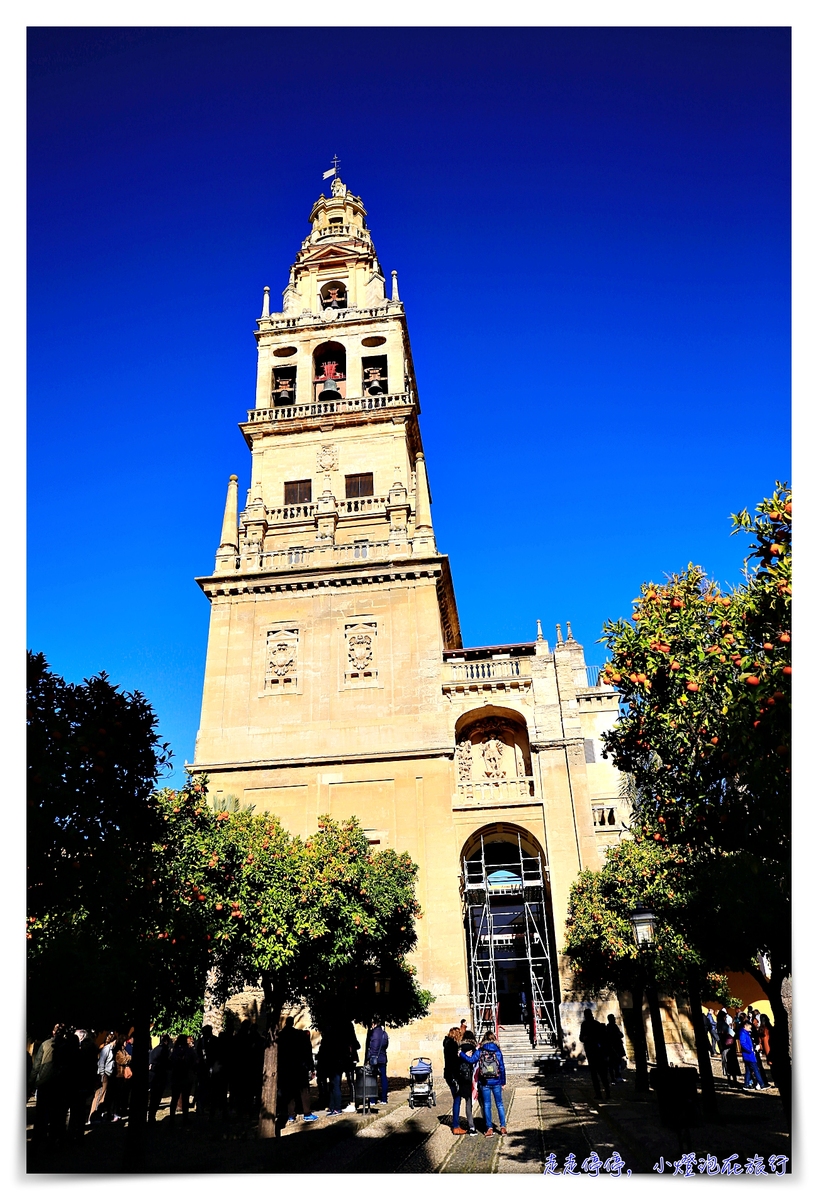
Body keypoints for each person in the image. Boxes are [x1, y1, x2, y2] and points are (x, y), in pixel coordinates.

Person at [277, 1016, 318, 1123]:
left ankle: (291, 1115)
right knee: (304, 1091)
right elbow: (307, 1051)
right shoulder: (299, 1035)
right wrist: (310, 1066)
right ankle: (307, 1113)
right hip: (299, 1067)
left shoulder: (280, 1036)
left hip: (286, 1068)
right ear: (293, 1023)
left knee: (289, 1092)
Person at [476, 1032, 507, 1137]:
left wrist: (462, 1054)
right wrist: (503, 1082)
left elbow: (471, 1060)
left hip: (484, 1081)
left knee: (487, 1105)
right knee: (500, 1104)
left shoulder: (481, 1051)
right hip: (497, 1080)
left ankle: (489, 1129)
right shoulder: (498, 1051)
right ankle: (503, 1128)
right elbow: (502, 1068)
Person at [579, 1009, 610, 1101]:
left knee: (598, 1075)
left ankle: (602, 1093)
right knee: (599, 1075)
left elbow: (603, 1038)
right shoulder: (590, 1024)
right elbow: (581, 1037)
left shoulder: (591, 1025)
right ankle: (603, 1093)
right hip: (594, 1052)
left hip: (595, 1052)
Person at [454, 1030, 479, 1136]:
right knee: (470, 1103)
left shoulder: (459, 1048)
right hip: (471, 1079)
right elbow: (473, 1061)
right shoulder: (474, 1048)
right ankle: (473, 1127)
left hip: (461, 1078)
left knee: (460, 1101)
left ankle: (465, 1125)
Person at [168, 1033, 198, 1121]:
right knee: (185, 1099)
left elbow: (170, 1063)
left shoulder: (174, 1051)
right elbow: (194, 1062)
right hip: (186, 1077)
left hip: (176, 1077)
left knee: (174, 1099)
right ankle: (185, 1118)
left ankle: (172, 1119)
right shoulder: (189, 1051)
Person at [737, 1016, 769, 1091]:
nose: (750, 1029)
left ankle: (746, 1084)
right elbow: (743, 1043)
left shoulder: (745, 1032)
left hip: (748, 1055)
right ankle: (762, 1084)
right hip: (749, 1055)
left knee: (748, 1070)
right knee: (756, 1069)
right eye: (749, 1028)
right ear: (745, 1026)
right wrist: (751, 1049)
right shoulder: (743, 1033)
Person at [365, 1019, 389, 1106]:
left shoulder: (372, 1033)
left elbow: (370, 1047)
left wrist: (369, 1057)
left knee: (372, 1079)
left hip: (373, 1059)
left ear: (374, 1024)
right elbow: (386, 1045)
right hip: (383, 1058)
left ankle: (372, 1100)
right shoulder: (384, 1034)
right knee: (383, 1078)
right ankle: (384, 1099)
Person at [443, 1027, 462, 1133]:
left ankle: (456, 1124)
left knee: (456, 1099)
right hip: (453, 1076)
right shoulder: (453, 1045)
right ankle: (455, 1126)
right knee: (457, 1100)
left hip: (448, 1075)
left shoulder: (446, 1043)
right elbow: (454, 1062)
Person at [148, 1034, 171, 1121]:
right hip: (159, 1076)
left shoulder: (156, 1049)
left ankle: (151, 1117)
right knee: (156, 1098)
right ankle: (151, 1118)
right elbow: (165, 1063)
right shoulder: (163, 1050)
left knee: (154, 1098)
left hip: (154, 1075)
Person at [721, 1016, 741, 1088]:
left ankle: (729, 1081)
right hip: (730, 1048)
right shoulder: (725, 1026)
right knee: (732, 1064)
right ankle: (734, 1080)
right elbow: (734, 1035)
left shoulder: (718, 1025)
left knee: (726, 1064)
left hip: (723, 1048)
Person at [605, 1014, 627, 1083]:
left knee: (616, 1064)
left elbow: (621, 1035)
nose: (614, 1020)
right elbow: (616, 1036)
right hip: (614, 1048)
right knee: (615, 1064)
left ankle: (616, 1077)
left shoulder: (613, 1027)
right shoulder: (610, 1027)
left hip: (615, 1048)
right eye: (613, 1019)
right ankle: (616, 1077)